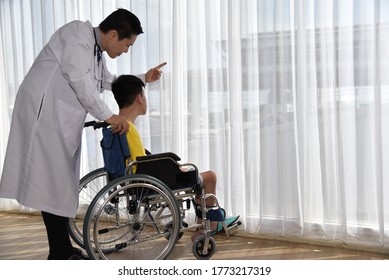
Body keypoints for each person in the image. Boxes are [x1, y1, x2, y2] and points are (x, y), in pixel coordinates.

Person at [0, 8, 166, 260]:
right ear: (113, 34)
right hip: (43, 117)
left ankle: (61, 249)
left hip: (58, 120)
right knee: (52, 184)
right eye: (127, 44)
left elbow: (106, 80)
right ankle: (60, 252)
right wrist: (109, 116)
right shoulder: (77, 34)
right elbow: (79, 80)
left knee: (59, 184)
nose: (126, 50)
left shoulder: (95, 52)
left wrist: (143, 78)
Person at [110, 75, 223, 242]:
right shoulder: (129, 128)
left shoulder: (117, 125)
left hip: (135, 179)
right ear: (140, 97)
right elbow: (141, 162)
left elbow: (137, 159)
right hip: (149, 181)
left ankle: (202, 222)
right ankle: (207, 225)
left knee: (190, 172)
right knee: (210, 176)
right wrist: (174, 168)